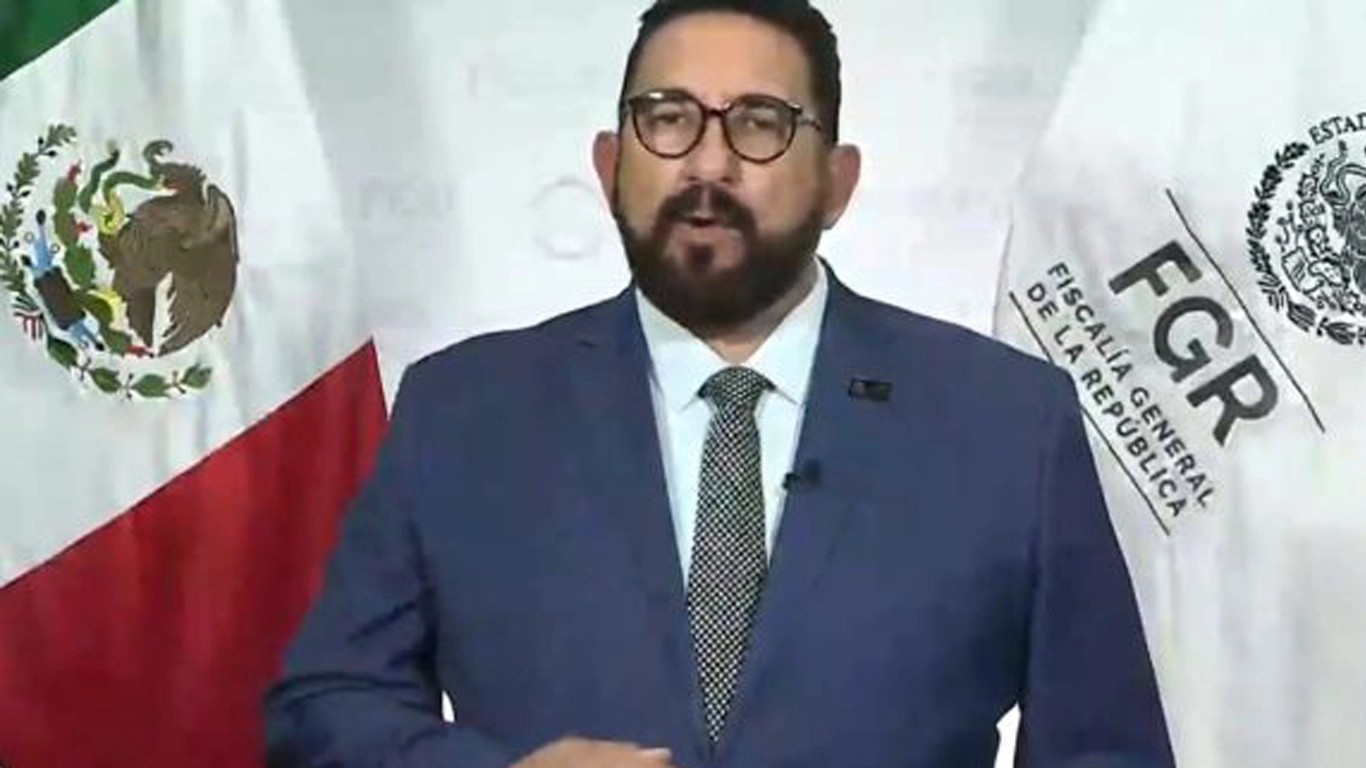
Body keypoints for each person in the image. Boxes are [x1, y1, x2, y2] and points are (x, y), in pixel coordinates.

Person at [263, 1, 1175, 766]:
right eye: (667, 117)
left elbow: (1105, 750)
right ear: (611, 164)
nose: (707, 162)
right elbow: (324, 708)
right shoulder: (461, 411)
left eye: (760, 123)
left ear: (837, 183)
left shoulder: (1006, 420)